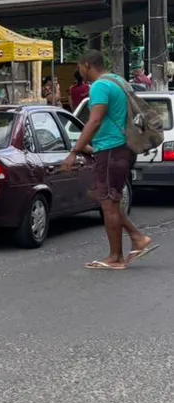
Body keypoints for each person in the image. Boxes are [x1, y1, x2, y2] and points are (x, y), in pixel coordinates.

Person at [61, 51, 158, 270]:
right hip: (122, 146)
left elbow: (95, 120)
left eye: (80, 66)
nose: (80, 71)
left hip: (112, 149)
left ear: (87, 65)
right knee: (105, 198)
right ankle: (137, 238)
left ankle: (116, 258)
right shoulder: (118, 80)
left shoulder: (100, 86)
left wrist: (75, 151)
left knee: (108, 204)